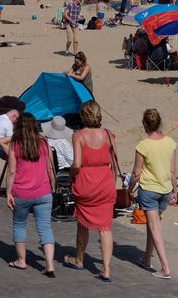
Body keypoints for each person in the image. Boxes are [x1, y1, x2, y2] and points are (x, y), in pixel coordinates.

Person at [65, 101, 117, 282]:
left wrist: (72, 174)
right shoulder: (109, 135)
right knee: (105, 227)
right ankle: (106, 269)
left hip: (87, 183)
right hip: (105, 183)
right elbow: (113, 161)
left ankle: (79, 259)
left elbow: (77, 164)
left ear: (83, 116)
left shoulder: (78, 135)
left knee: (82, 222)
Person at [129, 109, 177, 280]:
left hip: (149, 190)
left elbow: (136, 173)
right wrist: (175, 191)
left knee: (155, 226)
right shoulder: (170, 142)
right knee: (153, 224)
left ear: (144, 124)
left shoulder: (143, 145)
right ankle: (147, 259)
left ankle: (165, 267)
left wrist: (129, 189)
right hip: (164, 190)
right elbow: (172, 171)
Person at [5, 113, 56, 277]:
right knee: (45, 227)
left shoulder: (15, 145)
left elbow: (12, 171)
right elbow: (50, 168)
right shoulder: (43, 143)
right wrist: (52, 186)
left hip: (22, 192)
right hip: (43, 191)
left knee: (19, 225)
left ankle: (21, 260)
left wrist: (8, 193)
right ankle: (49, 264)